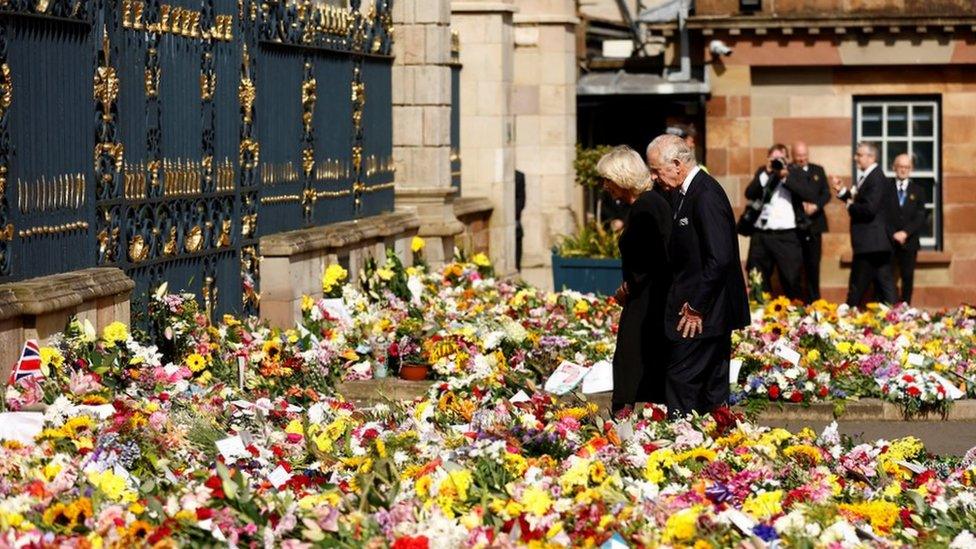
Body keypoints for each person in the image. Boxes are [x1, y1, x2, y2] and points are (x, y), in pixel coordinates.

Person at [645, 134, 749, 417]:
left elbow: (720, 258)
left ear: (677, 164)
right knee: (710, 393)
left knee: (682, 382)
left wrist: (696, 307)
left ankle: (681, 444)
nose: (654, 177)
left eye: (656, 169)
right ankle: (712, 448)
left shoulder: (705, 194)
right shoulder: (683, 193)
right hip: (702, 310)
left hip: (702, 313)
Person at [596, 146, 673, 415]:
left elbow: (654, 255)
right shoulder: (648, 202)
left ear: (622, 177)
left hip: (647, 298)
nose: (606, 186)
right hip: (647, 295)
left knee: (631, 357)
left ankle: (625, 418)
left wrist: (629, 286)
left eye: (608, 180)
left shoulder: (646, 206)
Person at [743, 144, 818, 300]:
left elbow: (809, 194)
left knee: (791, 279)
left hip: (787, 236)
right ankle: (758, 315)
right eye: (774, 158)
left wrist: (785, 177)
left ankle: (795, 316)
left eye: (781, 158)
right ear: (768, 159)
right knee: (757, 278)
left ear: (787, 159)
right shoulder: (763, 172)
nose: (777, 161)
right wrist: (766, 172)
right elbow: (749, 193)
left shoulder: (795, 172)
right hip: (761, 235)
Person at [830, 141, 897, 306]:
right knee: (885, 287)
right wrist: (844, 193)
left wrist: (850, 205)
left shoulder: (876, 178)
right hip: (874, 244)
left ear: (871, 157)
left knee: (856, 288)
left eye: (859, 155)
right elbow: (862, 200)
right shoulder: (869, 177)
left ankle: (845, 319)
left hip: (871, 244)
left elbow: (869, 209)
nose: (855, 158)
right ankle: (897, 318)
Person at [791, 141, 831, 301]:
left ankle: (815, 300)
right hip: (796, 226)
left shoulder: (818, 170)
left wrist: (816, 205)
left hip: (815, 225)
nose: (802, 158)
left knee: (813, 265)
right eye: (799, 155)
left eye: (804, 155)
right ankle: (799, 301)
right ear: (793, 156)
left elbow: (826, 193)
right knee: (796, 267)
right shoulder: (790, 172)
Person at [886, 154, 927, 304]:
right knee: (886, 277)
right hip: (889, 241)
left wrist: (905, 232)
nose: (903, 170)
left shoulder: (918, 190)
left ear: (911, 169)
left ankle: (905, 309)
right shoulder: (886, 187)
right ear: (894, 168)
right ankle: (887, 309)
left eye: (907, 167)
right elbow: (882, 214)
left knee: (907, 277)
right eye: (900, 166)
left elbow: (920, 215)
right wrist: (893, 234)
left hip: (909, 242)